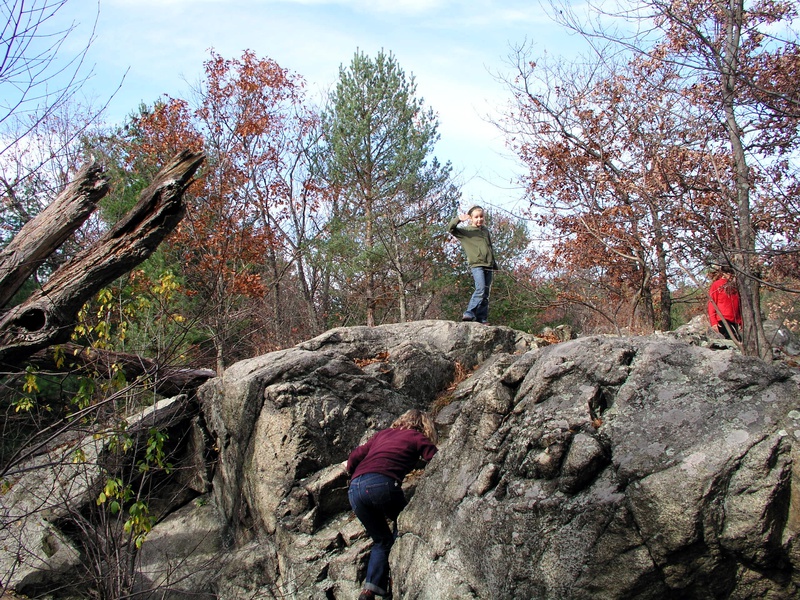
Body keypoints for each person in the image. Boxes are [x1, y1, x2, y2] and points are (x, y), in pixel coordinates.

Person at [347, 409, 439, 600]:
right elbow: (435, 458)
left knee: (381, 540)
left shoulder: (382, 434)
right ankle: (395, 575)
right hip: (382, 484)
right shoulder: (415, 436)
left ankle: (369, 590)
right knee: (404, 522)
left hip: (355, 489)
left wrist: (353, 471)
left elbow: (356, 455)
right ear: (423, 427)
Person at [448, 205, 498, 324]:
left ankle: (482, 318)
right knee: (480, 289)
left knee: (485, 293)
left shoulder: (485, 230)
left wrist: (494, 263)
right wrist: (458, 219)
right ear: (471, 218)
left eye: (481, 217)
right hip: (477, 265)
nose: (479, 219)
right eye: (476, 217)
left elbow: (489, 247)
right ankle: (469, 313)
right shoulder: (466, 232)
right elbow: (451, 229)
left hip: (488, 265)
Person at [707, 266, 743, 341]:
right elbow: (712, 304)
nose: (731, 276)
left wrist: (740, 321)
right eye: (729, 274)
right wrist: (714, 322)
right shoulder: (716, 285)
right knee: (734, 341)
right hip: (722, 320)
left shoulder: (735, 286)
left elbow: (738, 305)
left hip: (734, 321)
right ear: (724, 273)